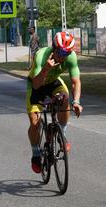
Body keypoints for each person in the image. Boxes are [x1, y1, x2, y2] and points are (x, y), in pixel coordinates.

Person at [26, 31, 83, 173]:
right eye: (60, 53)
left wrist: (76, 102)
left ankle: (61, 134)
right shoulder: (41, 56)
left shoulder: (70, 57)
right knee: (35, 122)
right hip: (36, 84)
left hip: (53, 83)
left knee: (65, 99)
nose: (63, 57)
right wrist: (46, 68)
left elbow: (76, 81)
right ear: (54, 47)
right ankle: (36, 153)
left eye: (66, 54)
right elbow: (36, 85)